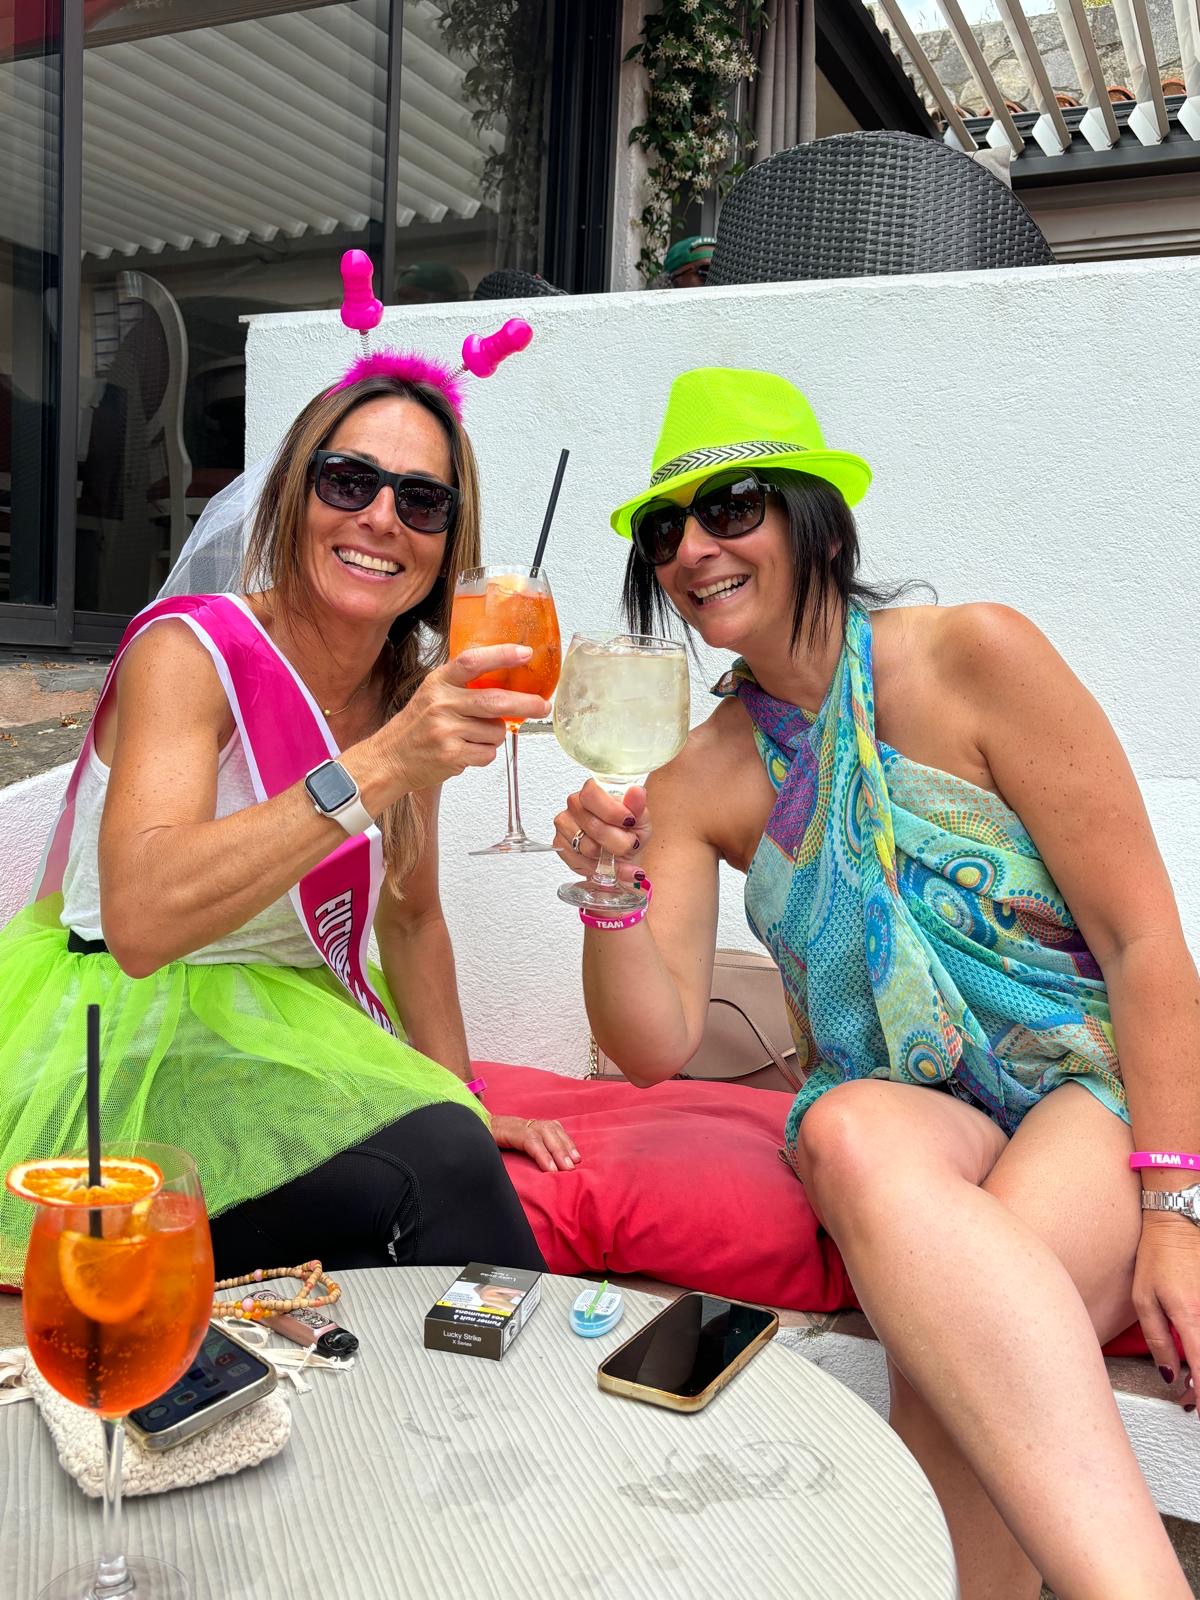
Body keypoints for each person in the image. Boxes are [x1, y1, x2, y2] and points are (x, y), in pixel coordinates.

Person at [555, 367, 1199, 1599]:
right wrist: (611, 891)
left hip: (1085, 1079)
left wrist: (1176, 1217)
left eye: (731, 506)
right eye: (665, 529)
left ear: (818, 524)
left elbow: (1143, 943)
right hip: (907, 1106)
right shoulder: (699, 775)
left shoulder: (975, 656)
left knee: (961, 1339)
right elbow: (651, 1042)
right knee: (841, 1129)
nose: (693, 549)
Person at [0, 353, 581, 1287]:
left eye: (422, 500)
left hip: (276, 1041)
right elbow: (141, 922)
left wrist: (463, 1096)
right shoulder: (189, 653)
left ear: (447, 543)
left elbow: (411, 918)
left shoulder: (408, 691)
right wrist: (381, 763)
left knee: (427, 1181)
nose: (381, 518)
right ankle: (549, 1370)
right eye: (348, 480)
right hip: (124, 1053)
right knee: (435, 1172)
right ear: (291, 497)